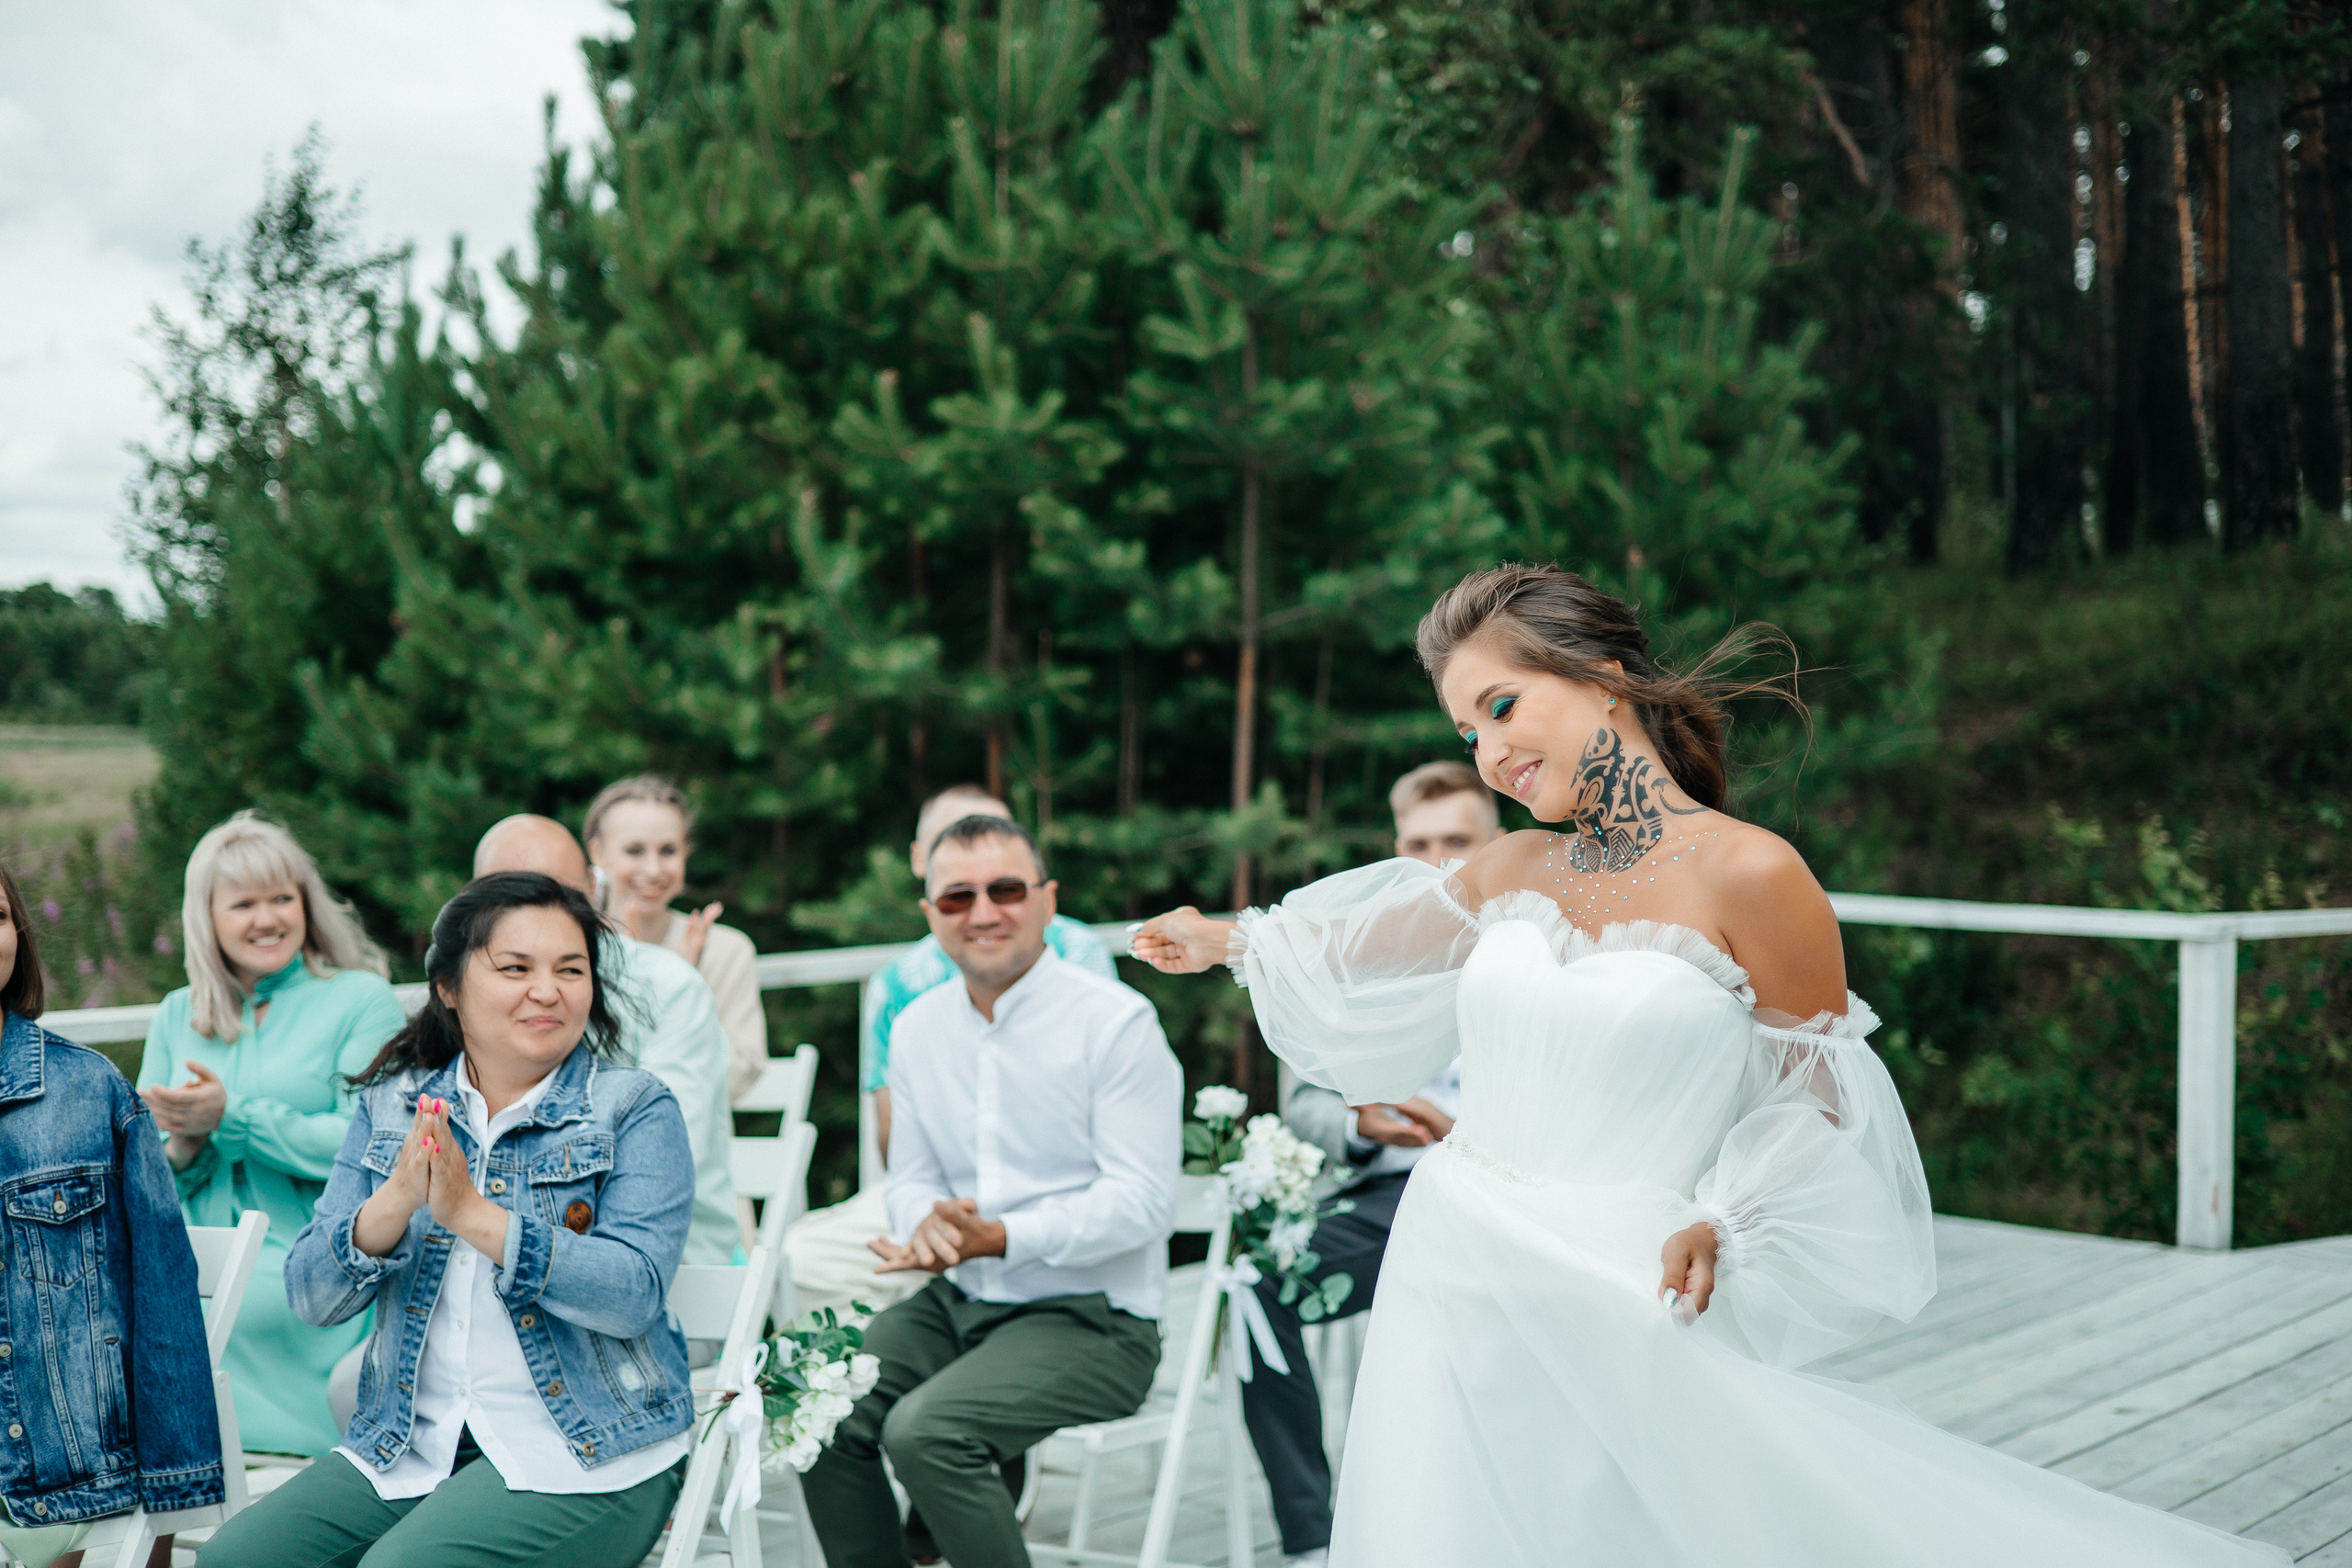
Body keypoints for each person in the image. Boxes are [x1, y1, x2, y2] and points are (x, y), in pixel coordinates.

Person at [1134, 564, 2285, 1567]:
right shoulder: (1508, 869)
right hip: (1457, 1267)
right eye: (1466, 735)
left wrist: (1728, 1217)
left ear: (1601, 678)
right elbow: (1349, 945)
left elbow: (1817, 1099)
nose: (1487, 756)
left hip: (1629, 1283)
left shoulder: (1753, 876)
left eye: (1500, 706)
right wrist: (1222, 937)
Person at [199, 873, 696, 1568]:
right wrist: (393, 1203)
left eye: (570, 969)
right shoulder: (392, 1106)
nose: (547, 990)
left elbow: (634, 1293)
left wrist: (472, 1214)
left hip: (591, 1446)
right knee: (236, 1561)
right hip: (415, 1438)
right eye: (515, 968)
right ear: (450, 987)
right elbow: (311, 1295)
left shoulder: (633, 1107)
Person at [800, 814, 1181, 1568]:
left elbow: (1144, 1202)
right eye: (957, 896)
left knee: (926, 1431)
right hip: (958, 1299)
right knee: (817, 1401)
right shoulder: (914, 1028)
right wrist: (929, 1226)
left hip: (1095, 1317)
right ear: (929, 914)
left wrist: (1004, 1235)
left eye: (1006, 889)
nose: (982, 912)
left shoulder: (1116, 1022)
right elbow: (910, 1178)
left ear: (1047, 900)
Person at [1239, 761, 1498, 1568]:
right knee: (1251, 1285)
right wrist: (1360, 1123)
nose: (1438, 860)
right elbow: (1303, 1103)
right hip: (1379, 1198)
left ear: (1498, 844)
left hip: (1496, 1199)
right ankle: (1314, 1537)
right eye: (1420, 843)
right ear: (1395, 848)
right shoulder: (1356, 950)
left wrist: (1465, 1131)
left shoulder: (1535, 944)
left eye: (1458, 841)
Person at [785, 783, 1117, 1323]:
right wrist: (933, 1213)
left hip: (1053, 1188)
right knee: (796, 1257)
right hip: (941, 1191)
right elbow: (897, 1142)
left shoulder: (1079, 954)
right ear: (922, 861)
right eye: (955, 841)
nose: (976, 856)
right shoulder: (899, 984)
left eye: (996, 842)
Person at [136, 812, 405, 1456]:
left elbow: (374, 1144)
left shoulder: (362, 999)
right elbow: (144, 1166)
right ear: (207, 915)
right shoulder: (178, 1011)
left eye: (282, 898)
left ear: (307, 904)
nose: (268, 918)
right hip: (189, 1253)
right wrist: (187, 1143)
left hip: (312, 1263)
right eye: (244, 903)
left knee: (206, 1320)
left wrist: (234, 1118)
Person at [0, 862, 225, 1568]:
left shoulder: (89, 1091)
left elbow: (162, 1301)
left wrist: (171, 1493)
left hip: (64, 1474)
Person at [473, 815, 739, 1264]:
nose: (538, 917)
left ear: (593, 891)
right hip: (494, 1252)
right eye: (510, 898)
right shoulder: (466, 992)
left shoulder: (669, 988)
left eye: (559, 895)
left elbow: (660, 1163)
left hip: (656, 1260)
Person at [583, 776, 769, 1101]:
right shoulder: (573, 951)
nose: (654, 869)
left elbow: (740, 1076)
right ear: (598, 852)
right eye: (634, 850)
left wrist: (681, 986)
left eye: (668, 850)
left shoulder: (725, 951)